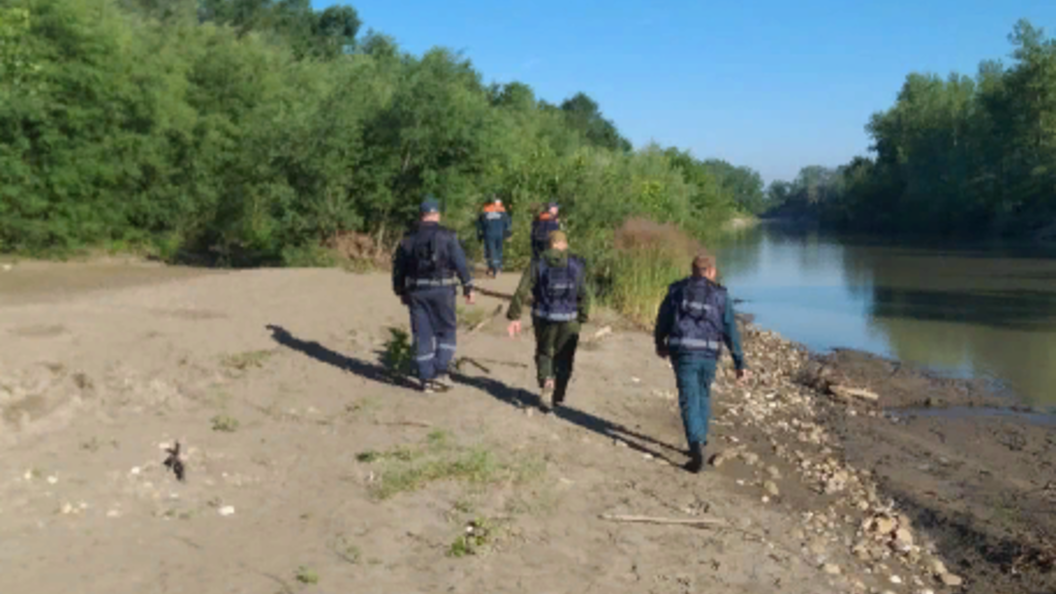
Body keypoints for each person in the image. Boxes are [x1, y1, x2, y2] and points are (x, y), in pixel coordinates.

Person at [654, 254, 750, 473]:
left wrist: (660, 342)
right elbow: (730, 331)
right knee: (704, 393)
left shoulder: (676, 290)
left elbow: (664, 319)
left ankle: (695, 446)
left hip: (683, 352)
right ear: (712, 271)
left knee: (689, 398)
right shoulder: (720, 295)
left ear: (692, 270)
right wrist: (740, 363)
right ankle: (701, 439)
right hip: (709, 353)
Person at [392, 196, 475, 393]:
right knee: (446, 330)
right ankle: (440, 370)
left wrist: (400, 291)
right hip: (443, 290)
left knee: (422, 334)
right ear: (436, 214)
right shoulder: (448, 236)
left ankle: (425, 378)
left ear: (421, 216)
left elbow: (398, 269)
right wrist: (468, 287)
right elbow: (460, 262)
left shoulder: (408, 239)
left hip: (417, 292)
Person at [507, 230, 592, 412]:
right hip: (570, 318)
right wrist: (583, 317)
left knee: (545, 352)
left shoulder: (538, 262)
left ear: (549, 244)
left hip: (543, 316)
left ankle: (547, 381)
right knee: (565, 356)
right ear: (565, 244)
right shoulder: (576, 263)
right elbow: (585, 294)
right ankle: (558, 395)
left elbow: (522, 291)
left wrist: (514, 316)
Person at [476, 194, 512, 278]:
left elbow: (480, 225)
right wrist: (507, 233)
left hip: (489, 234)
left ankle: (492, 267)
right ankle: (497, 267)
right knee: (498, 251)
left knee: (490, 251)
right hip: (499, 234)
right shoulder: (502, 211)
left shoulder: (485, 212)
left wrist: (479, 236)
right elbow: (507, 223)